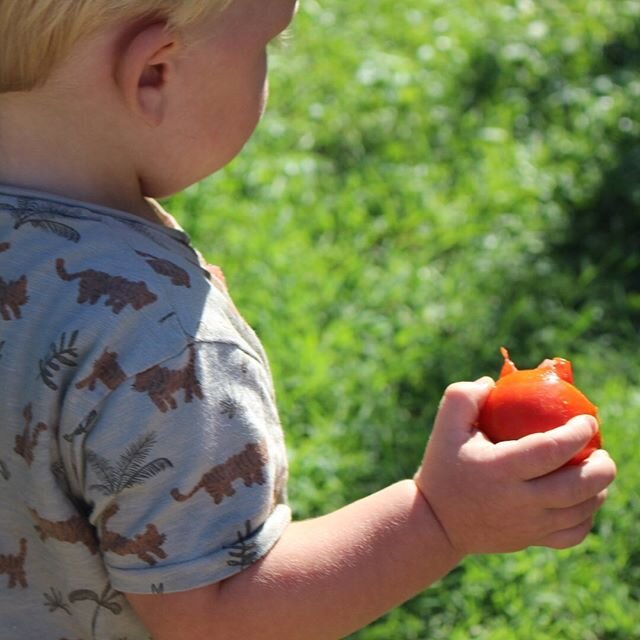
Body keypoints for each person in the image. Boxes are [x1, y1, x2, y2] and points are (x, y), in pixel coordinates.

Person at [0, 1, 616, 638]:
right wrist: (439, 518)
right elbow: (218, 618)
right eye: (269, 44)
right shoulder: (160, 339)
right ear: (155, 74)